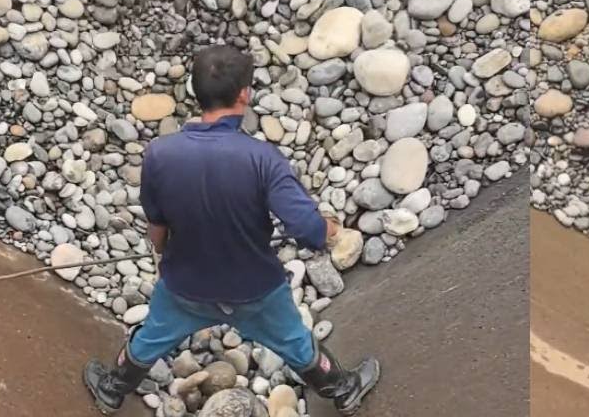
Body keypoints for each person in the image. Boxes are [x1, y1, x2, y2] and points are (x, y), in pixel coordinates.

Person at [83, 45, 380, 415]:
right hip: (255, 289)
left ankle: (112, 389)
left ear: (195, 91)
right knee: (295, 342)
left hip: (185, 286)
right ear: (244, 94)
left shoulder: (161, 154)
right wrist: (329, 229)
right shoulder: (262, 159)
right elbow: (306, 229)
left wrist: (162, 256)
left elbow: (156, 227)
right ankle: (343, 388)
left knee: (152, 336)